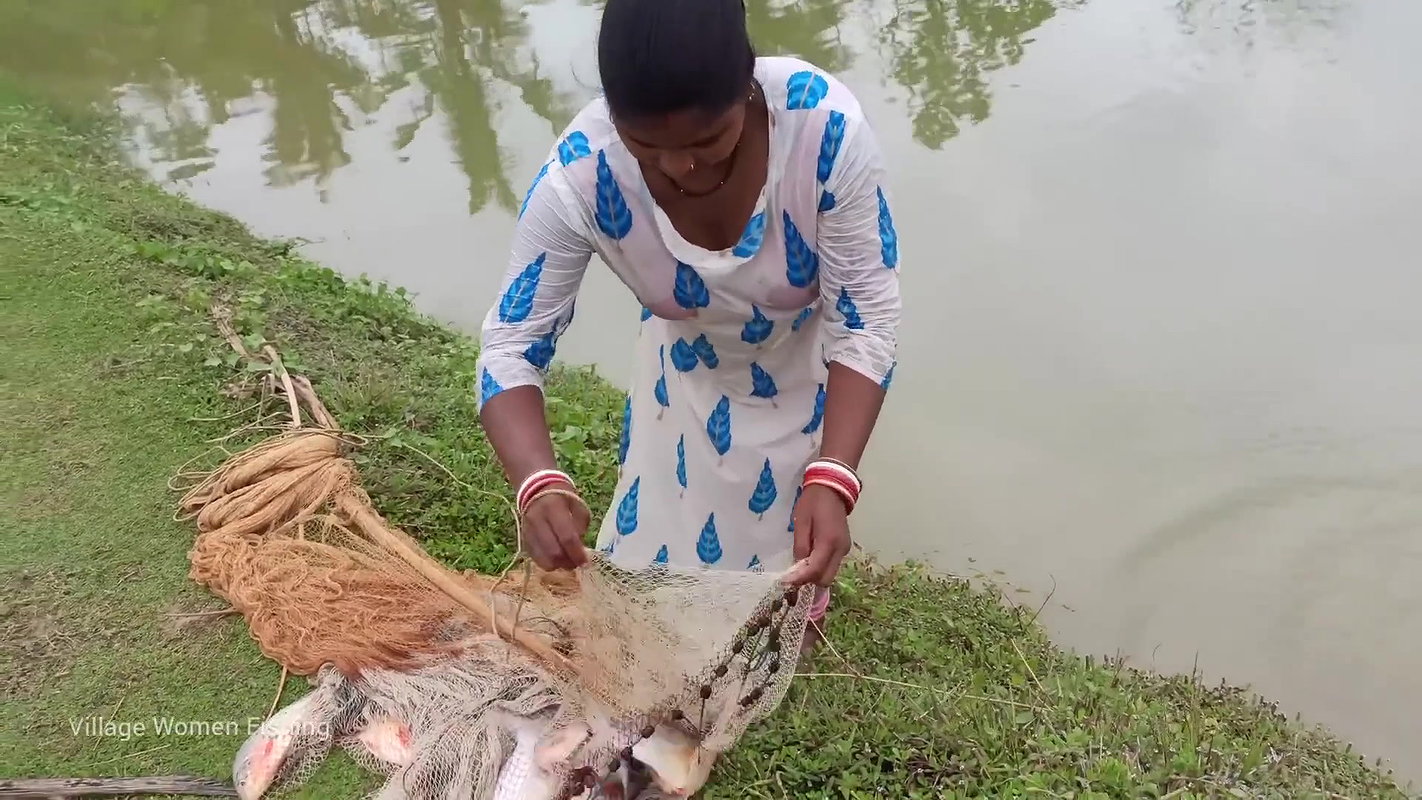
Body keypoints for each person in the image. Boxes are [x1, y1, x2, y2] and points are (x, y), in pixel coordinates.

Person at [473, 0, 902, 641]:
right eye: (646, 146)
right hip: (686, 376)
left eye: (708, 141)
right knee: (660, 560)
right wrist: (536, 482)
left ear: (748, 86)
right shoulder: (582, 176)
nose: (679, 167)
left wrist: (835, 474)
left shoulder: (823, 131)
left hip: (810, 370)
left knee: (787, 562)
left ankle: (787, 619)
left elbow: (864, 321)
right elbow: (510, 344)